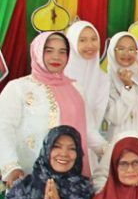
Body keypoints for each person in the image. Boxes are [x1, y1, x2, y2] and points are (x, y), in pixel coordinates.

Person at [0, 32, 91, 186]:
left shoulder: (77, 89)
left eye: (62, 52)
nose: (56, 57)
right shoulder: (18, 88)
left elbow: (89, 132)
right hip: (27, 177)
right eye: (49, 51)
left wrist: (113, 150)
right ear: (36, 52)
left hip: (70, 180)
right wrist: (11, 167)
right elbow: (3, 128)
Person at [105, 31, 138, 140]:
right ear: (112, 51)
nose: (126, 54)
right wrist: (128, 87)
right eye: (121, 49)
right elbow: (115, 117)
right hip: (119, 139)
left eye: (131, 49)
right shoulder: (105, 82)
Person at [65, 20, 107, 146]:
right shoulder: (60, 75)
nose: (90, 45)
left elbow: (98, 116)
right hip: (60, 145)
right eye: (82, 40)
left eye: (94, 39)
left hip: (90, 145)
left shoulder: (103, 78)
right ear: (72, 43)